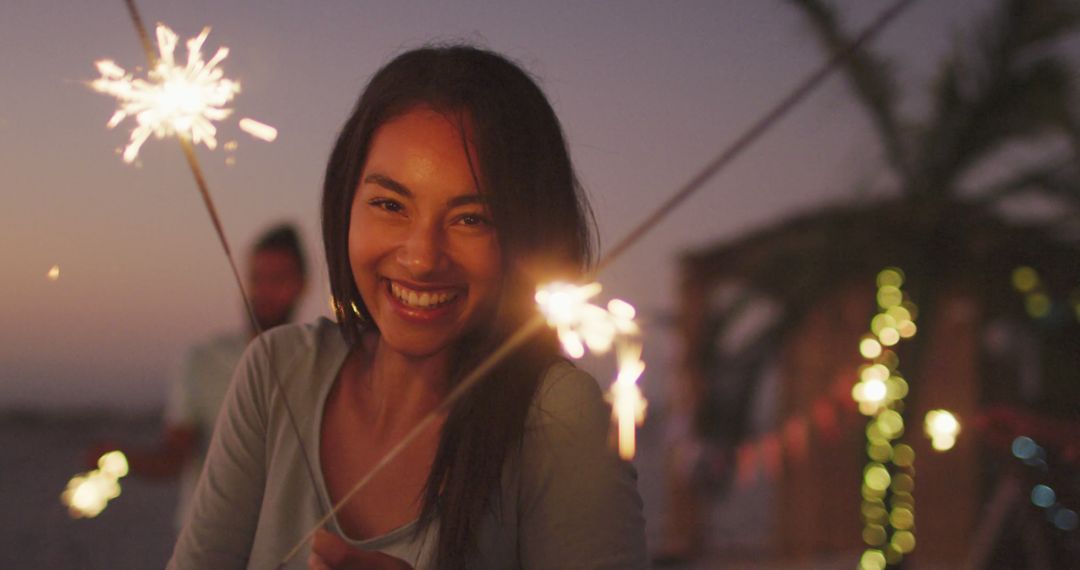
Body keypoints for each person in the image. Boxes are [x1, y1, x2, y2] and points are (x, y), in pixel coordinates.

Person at [168, 45, 647, 570]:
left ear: (528, 235)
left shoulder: (559, 416)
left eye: (471, 219)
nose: (421, 259)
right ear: (344, 203)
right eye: (390, 205)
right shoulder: (275, 373)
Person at [87, 224, 308, 530]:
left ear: (301, 285)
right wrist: (120, 459)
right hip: (208, 544)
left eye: (277, 279)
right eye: (256, 278)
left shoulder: (319, 365)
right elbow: (175, 456)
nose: (263, 291)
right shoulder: (202, 362)